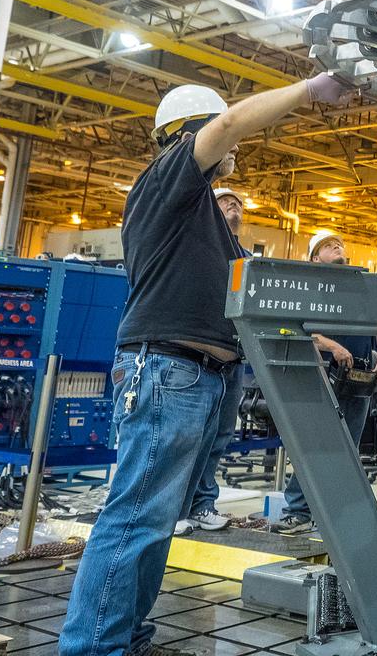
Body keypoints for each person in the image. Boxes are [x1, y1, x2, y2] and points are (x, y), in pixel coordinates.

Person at [59, 73, 351, 656]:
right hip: (169, 371)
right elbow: (231, 122)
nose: (232, 149)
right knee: (136, 517)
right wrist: (310, 89)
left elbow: (259, 294)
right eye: (217, 136)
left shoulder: (210, 225)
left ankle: (125, 638)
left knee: (157, 520)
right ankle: (92, 647)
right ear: (187, 134)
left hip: (207, 378)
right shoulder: (167, 179)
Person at [269, 230, 377, 536]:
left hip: (360, 379)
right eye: (328, 246)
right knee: (317, 446)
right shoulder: (309, 289)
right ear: (315, 258)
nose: (337, 247)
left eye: (339, 244)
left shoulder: (359, 288)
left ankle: (336, 517)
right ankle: (298, 511)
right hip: (324, 376)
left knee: (348, 449)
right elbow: (297, 328)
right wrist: (331, 345)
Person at [173, 187, 249, 536]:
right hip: (197, 359)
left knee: (218, 437)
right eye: (225, 200)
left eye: (239, 203)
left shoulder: (246, 260)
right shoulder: (198, 245)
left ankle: (202, 504)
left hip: (232, 361)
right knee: (187, 437)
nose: (234, 204)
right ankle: (175, 508)